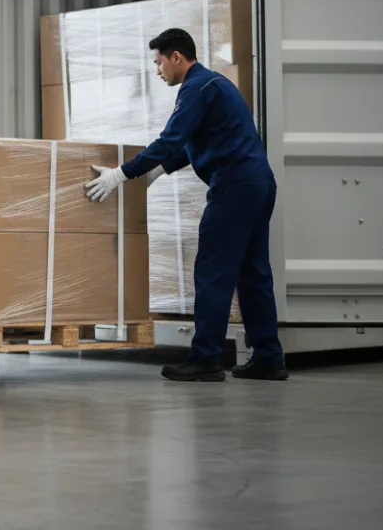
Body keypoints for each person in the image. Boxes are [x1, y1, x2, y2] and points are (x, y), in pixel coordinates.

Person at [83, 28, 288, 382]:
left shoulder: (196, 88)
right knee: (253, 272)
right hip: (259, 184)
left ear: (176, 57)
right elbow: (191, 143)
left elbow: (171, 139)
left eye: (158, 62)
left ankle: (206, 358)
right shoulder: (214, 85)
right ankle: (269, 357)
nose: (157, 70)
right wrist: (157, 171)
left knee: (213, 271)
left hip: (234, 187)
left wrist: (121, 174)